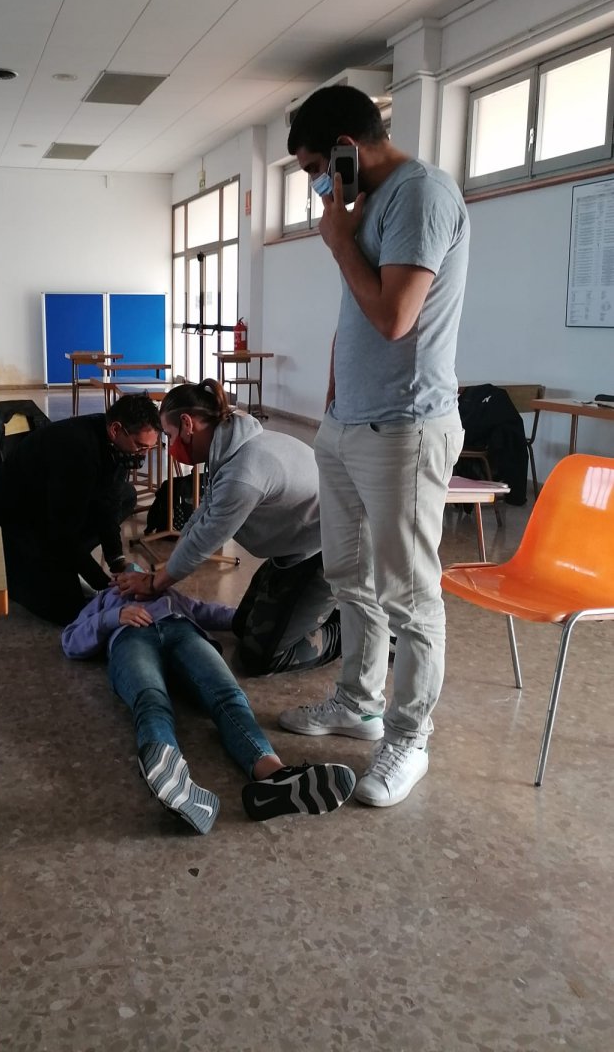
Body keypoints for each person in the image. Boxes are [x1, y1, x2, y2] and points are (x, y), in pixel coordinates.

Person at [281, 84, 469, 807]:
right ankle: (357, 701)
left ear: (345, 152)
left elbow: (394, 316)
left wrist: (336, 240)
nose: (315, 185)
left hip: (404, 427)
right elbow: (355, 321)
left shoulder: (421, 195)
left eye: (313, 168)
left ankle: (408, 736)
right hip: (349, 422)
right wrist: (333, 400)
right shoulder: (363, 207)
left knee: (412, 594)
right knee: (350, 576)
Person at [62, 582, 355, 834]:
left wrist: (256, 621)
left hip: (184, 634)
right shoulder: (104, 600)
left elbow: (212, 612)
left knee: (229, 696)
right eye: (123, 574)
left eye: (139, 572)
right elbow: (71, 641)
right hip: (130, 638)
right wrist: (113, 616)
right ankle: (173, 779)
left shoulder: (167, 593)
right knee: (150, 699)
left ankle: (274, 775)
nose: (131, 574)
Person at [119, 378, 341, 676]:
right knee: (242, 626)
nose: (171, 447)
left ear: (187, 424)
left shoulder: (243, 472)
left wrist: (154, 583)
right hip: (296, 548)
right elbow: (204, 516)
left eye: (170, 436)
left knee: (259, 659)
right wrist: (162, 571)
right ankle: (311, 612)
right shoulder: (230, 446)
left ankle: (350, 628)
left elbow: (204, 541)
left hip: (330, 550)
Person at [0, 393, 160, 624]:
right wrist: (106, 585)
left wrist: (118, 563)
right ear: (116, 430)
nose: (142, 455)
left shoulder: (115, 445)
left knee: (125, 496)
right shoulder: (76, 449)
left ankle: (63, 564)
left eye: (149, 449)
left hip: (48, 511)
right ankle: (27, 569)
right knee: (70, 610)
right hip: (13, 523)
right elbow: (61, 531)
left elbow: (107, 505)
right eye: (139, 447)